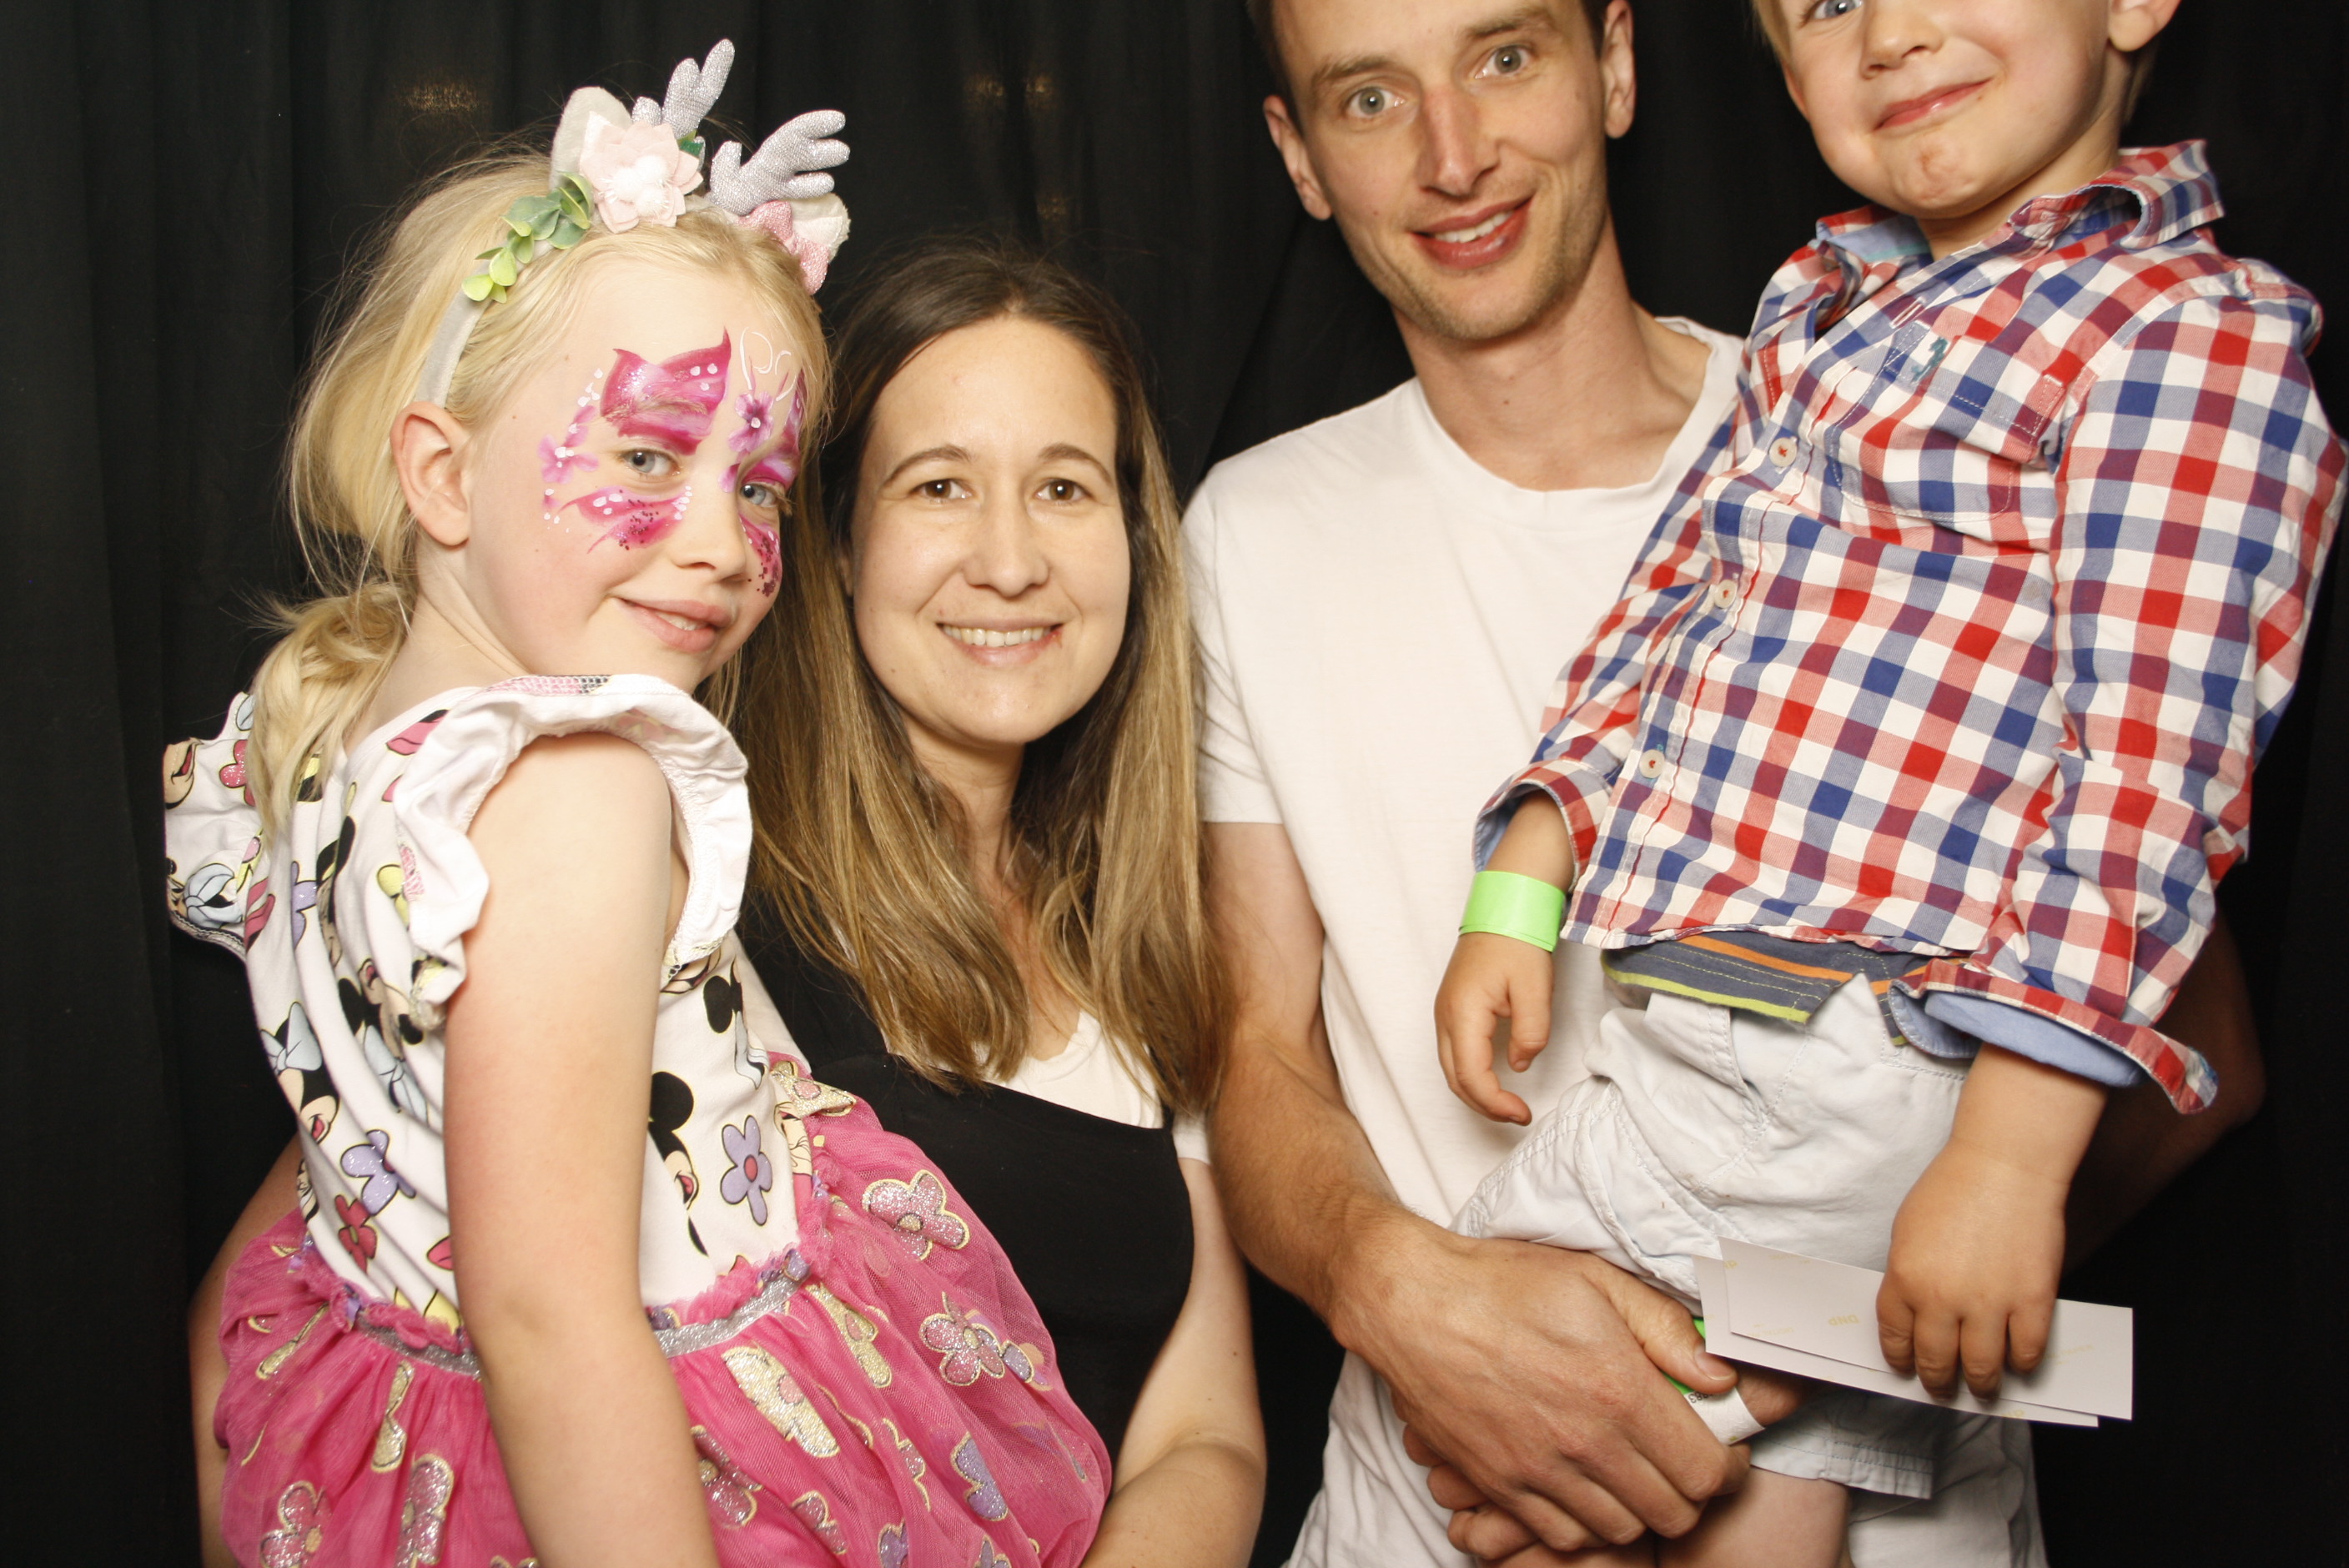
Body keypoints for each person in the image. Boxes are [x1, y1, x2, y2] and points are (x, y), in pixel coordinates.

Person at [1194, 0, 2271, 1564]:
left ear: (1617, 66)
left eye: (1505, 57)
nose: (1454, 154)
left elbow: (2200, 1035)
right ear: (1300, 155)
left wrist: (1810, 1335)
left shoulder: (1931, 456)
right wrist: (1416, 1307)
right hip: (1434, 1495)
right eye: (1370, 99)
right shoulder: (1252, 531)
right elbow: (1250, 1047)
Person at [168, 48, 1109, 1566]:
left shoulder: (335, 743)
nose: (724, 545)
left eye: (758, 486)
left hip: (391, 1426)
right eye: (649, 457)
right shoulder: (580, 787)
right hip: (648, 1452)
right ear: (443, 475)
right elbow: (548, 1313)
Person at [733, 237, 1266, 1566]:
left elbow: (1206, 1438)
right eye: (940, 486)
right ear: (841, 539)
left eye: (1065, 489)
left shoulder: (1138, 934)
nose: (1012, 561)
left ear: (1133, 538)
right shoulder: (692, 881)